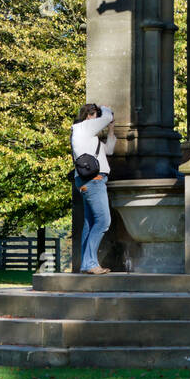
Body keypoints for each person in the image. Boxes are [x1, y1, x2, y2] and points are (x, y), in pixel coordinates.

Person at [71, 103, 116, 274]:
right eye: (95, 115)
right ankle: (89, 264)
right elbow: (107, 117)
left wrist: (111, 131)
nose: (98, 120)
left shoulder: (88, 137)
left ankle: (86, 264)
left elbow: (109, 150)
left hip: (90, 181)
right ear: (89, 116)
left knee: (90, 224)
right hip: (94, 181)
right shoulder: (83, 127)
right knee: (104, 221)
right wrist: (105, 108)